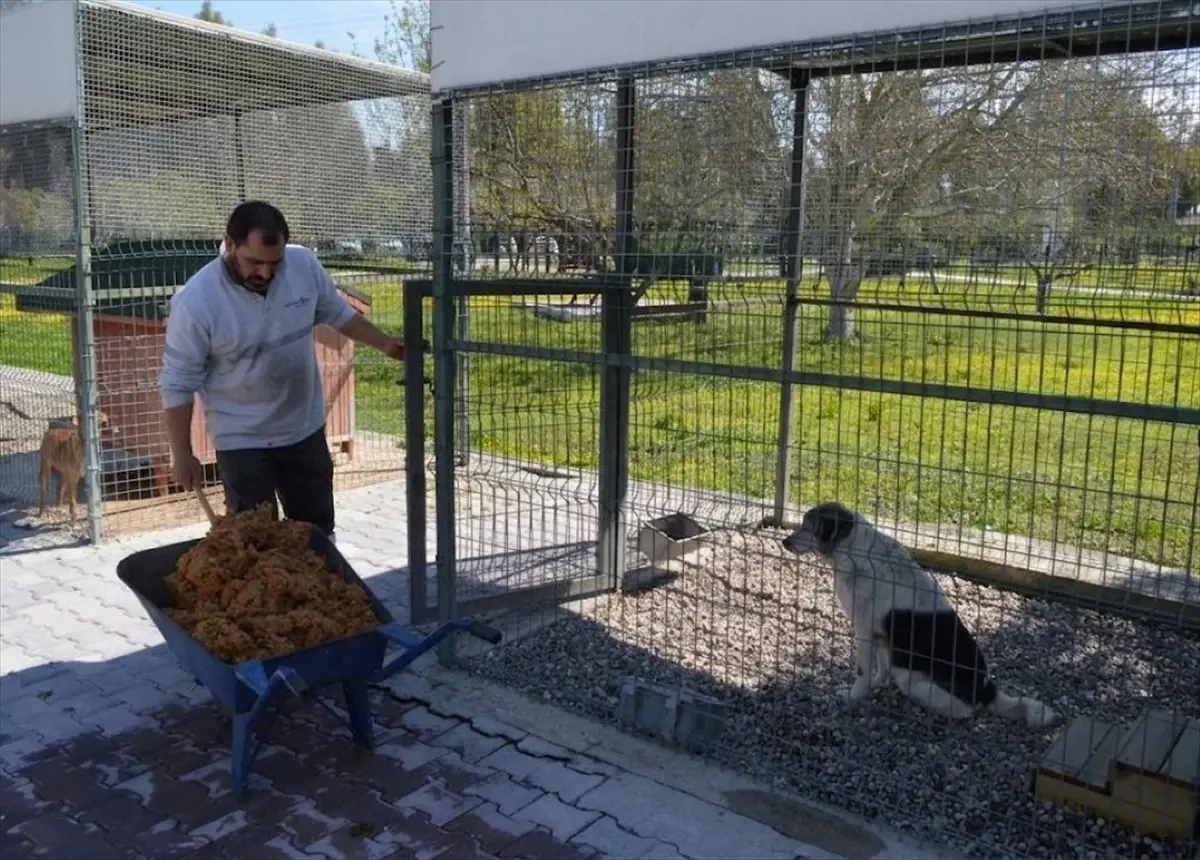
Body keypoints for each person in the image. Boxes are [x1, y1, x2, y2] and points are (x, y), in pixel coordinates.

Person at [159, 201, 418, 541]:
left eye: (274, 263)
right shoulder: (196, 302)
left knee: (316, 536)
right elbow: (177, 382)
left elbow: (338, 314)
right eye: (254, 262)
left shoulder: (302, 265)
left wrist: (386, 345)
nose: (265, 273)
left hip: (303, 430)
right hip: (242, 440)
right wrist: (182, 453)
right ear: (230, 244)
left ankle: (323, 595)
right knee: (255, 543)